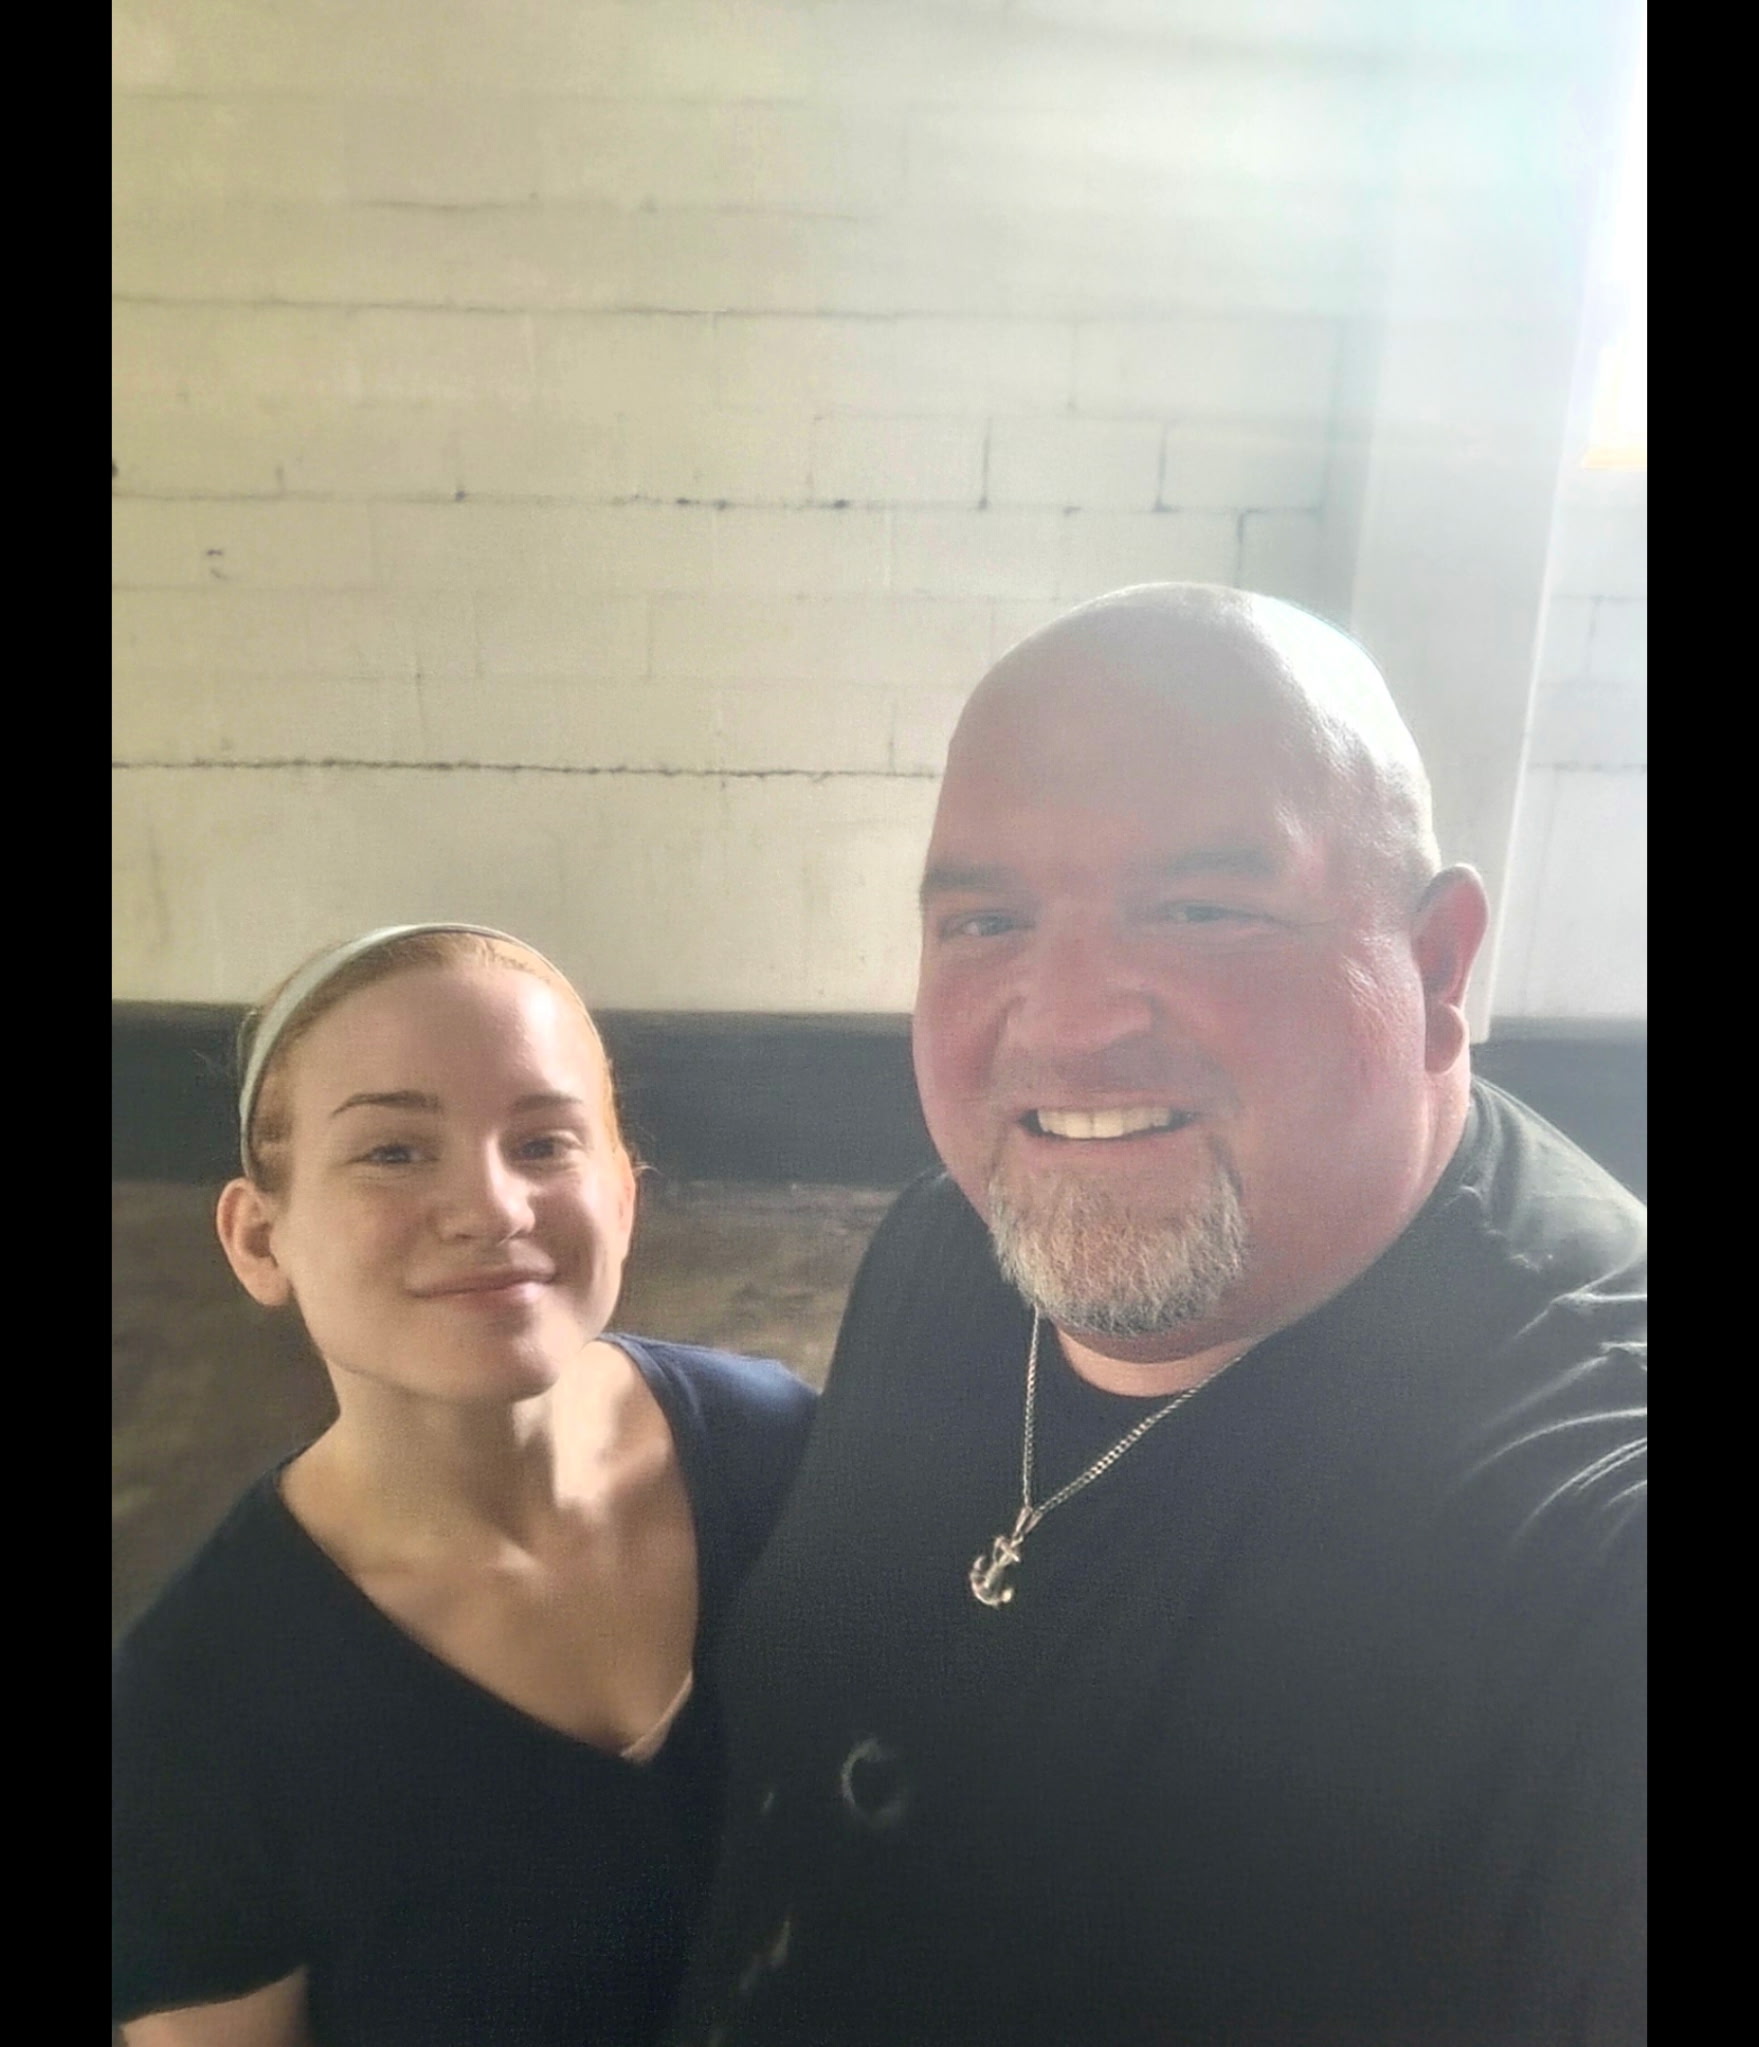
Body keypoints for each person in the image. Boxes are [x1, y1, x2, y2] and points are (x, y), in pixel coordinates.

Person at [667, 584, 1646, 2047]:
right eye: (987, 920)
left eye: (1200, 910)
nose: (1066, 1021)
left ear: (1436, 963)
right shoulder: (951, 1243)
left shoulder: (1590, 1535)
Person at [112, 925, 817, 2047]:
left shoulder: (785, 1457)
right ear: (259, 1239)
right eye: (393, 1150)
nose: (492, 1207)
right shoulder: (194, 1710)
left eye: (542, 1142)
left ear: (622, 1198)